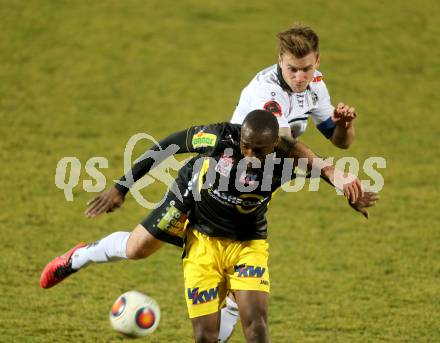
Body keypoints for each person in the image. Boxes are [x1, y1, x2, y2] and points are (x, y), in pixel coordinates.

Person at [40, 111, 377, 342]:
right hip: (193, 204)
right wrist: (122, 186)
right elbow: (169, 144)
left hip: (247, 241)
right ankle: (80, 257)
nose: (250, 155)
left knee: (257, 328)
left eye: (260, 150)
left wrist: (346, 190)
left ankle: (234, 299)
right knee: (136, 250)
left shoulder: (288, 156)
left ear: (274, 146)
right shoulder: (218, 137)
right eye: (246, 146)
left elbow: (323, 167)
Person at [221, 23, 358, 341]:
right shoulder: (265, 92)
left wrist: (344, 125)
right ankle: (85, 254)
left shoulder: (316, 85)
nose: (300, 78)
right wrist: (330, 172)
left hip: (262, 182)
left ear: (317, 62)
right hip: (227, 177)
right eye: (292, 70)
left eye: (306, 69)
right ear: (280, 62)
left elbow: (341, 142)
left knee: (238, 280)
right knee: (143, 246)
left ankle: (228, 308)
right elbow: (283, 143)